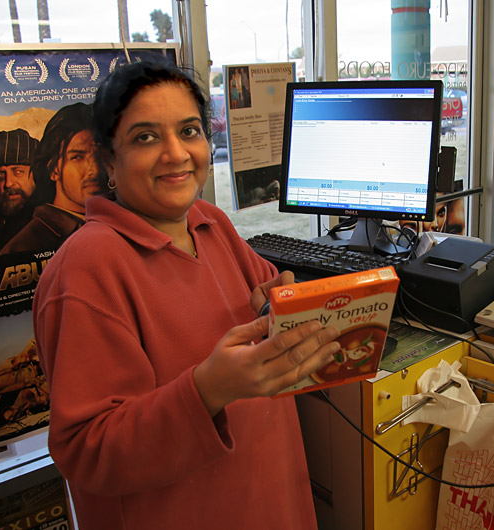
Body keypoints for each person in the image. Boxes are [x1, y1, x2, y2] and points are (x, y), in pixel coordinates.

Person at [32, 61, 340, 529]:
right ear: (108, 160)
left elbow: (263, 290)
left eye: (189, 130)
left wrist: (280, 296)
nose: (176, 154)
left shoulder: (209, 221)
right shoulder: (85, 270)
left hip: (271, 497)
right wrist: (207, 389)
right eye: (146, 137)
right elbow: (85, 451)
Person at [0, 103, 105, 254]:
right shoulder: (22, 248)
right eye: (77, 157)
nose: (94, 170)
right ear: (53, 169)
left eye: (100, 154)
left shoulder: (119, 222)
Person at [0, 129, 40, 255]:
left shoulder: (53, 226)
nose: (8, 183)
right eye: (1, 175)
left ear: (36, 175)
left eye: (18, 172)